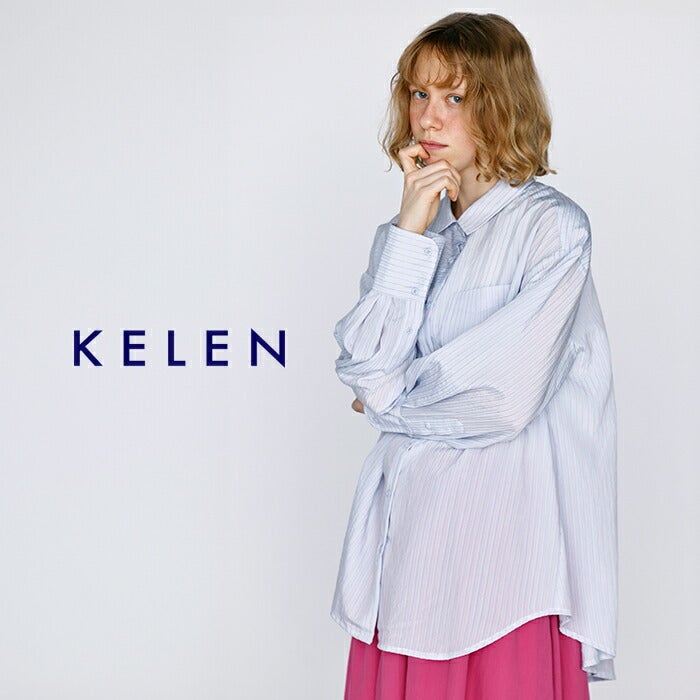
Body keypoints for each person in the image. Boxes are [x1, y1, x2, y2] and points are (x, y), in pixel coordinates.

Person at [329, 12, 618, 700]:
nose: (429, 117)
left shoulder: (552, 230)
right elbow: (366, 364)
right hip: (405, 553)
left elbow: (500, 401)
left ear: (500, 104)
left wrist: (387, 399)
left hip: (504, 563)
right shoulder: (406, 234)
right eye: (418, 93)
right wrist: (410, 230)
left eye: (454, 97)